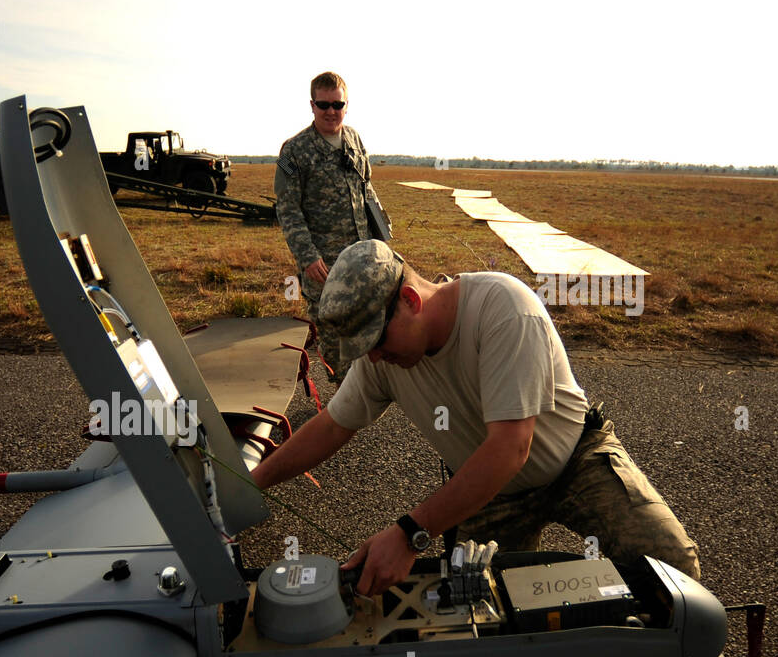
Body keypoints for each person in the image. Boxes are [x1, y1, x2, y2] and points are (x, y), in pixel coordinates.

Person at [249, 240, 701, 614]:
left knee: (672, 569)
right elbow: (331, 426)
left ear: (409, 301)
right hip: (489, 494)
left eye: (377, 341)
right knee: (477, 612)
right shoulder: (383, 360)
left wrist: (409, 535)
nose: (374, 358)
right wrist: (252, 484)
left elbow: (510, 449)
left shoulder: (503, 307)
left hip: (573, 462)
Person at [275, 72, 380, 382]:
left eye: (338, 104)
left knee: (367, 327)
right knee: (333, 336)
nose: (331, 111)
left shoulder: (355, 139)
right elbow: (287, 208)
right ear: (312, 105)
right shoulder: (292, 151)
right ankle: (342, 409)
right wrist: (307, 256)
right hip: (324, 264)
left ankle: (365, 392)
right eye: (324, 105)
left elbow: (367, 190)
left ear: (346, 105)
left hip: (362, 257)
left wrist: (380, 240)